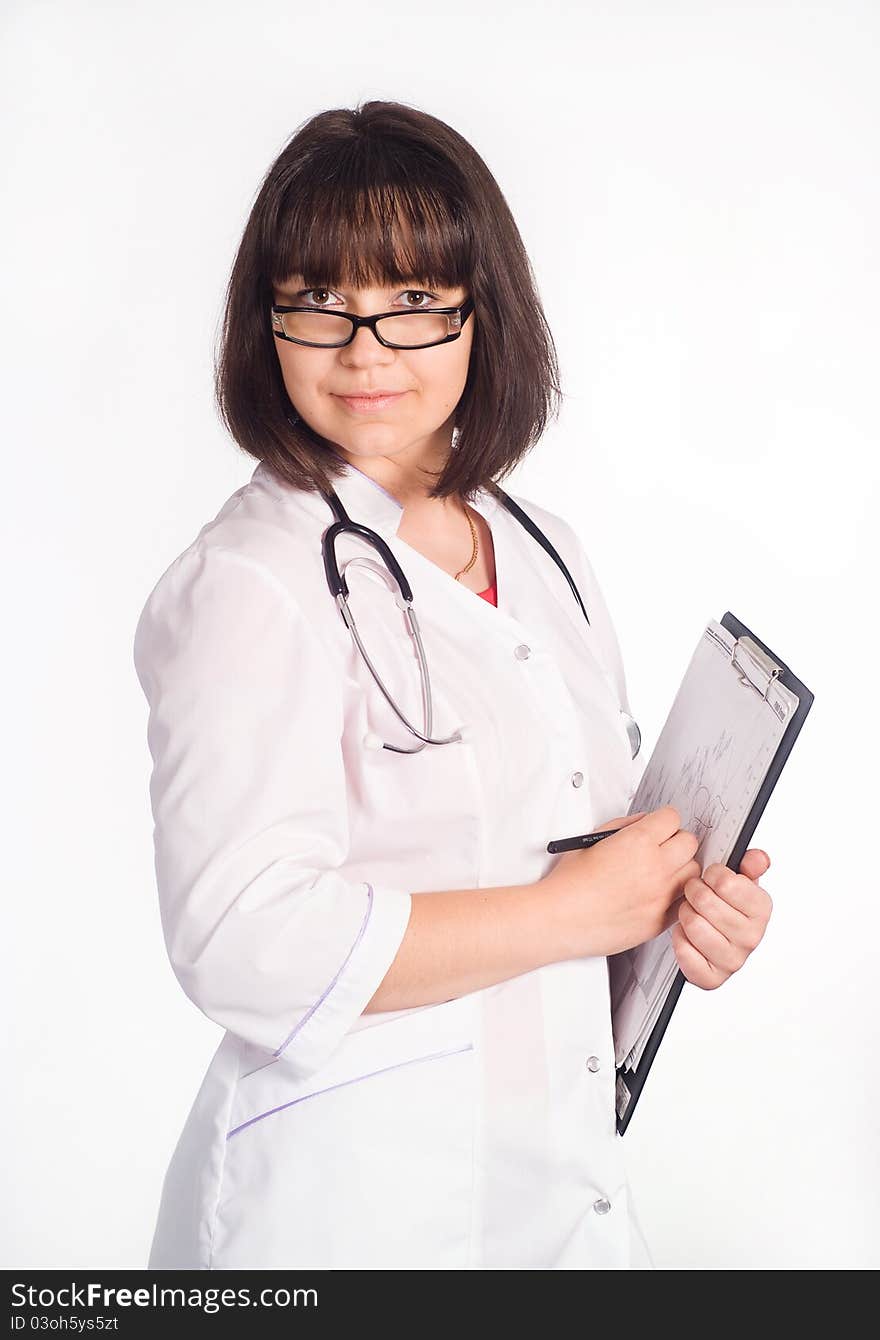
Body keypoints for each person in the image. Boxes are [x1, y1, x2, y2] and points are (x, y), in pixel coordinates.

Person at [133, 100, 773, 1271]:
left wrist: (683, 909)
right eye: (319, 301)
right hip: (343, 1206)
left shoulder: (542, 547)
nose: (365, 350)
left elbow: (569, 849)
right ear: (264, 323)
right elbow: (239, 934)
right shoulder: (248, 582)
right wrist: (568, 913)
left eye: (415, 304)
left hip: (555, 1181)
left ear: (485, 313)